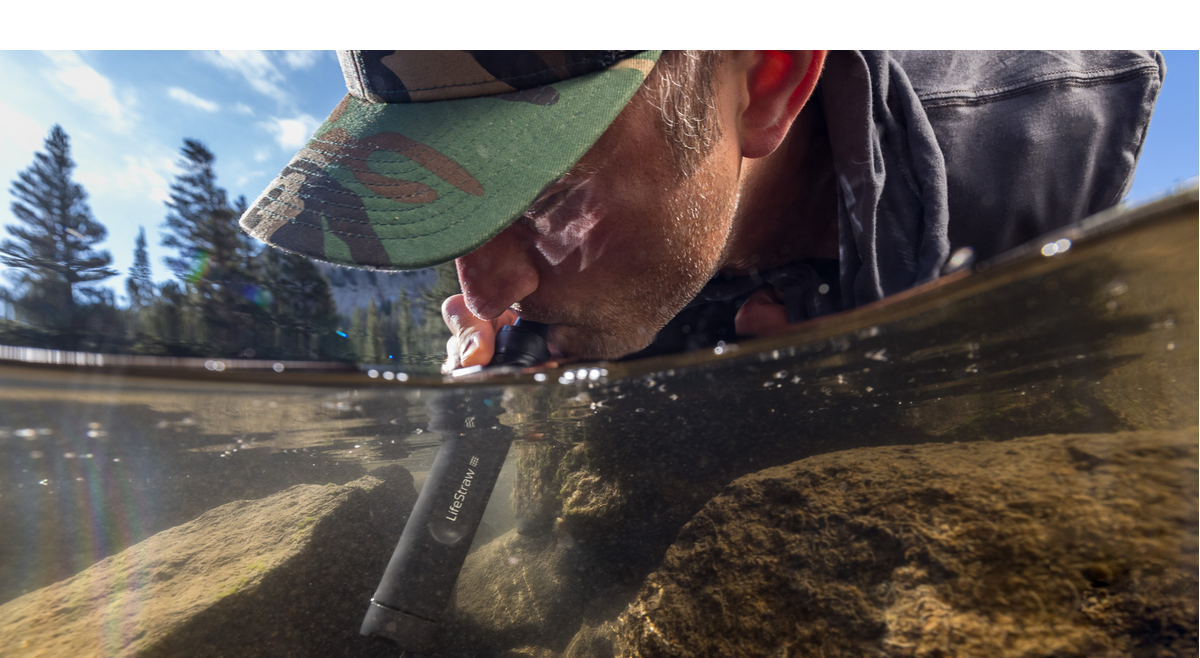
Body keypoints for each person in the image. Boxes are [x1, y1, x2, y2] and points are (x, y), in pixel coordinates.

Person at [239, 50, 1165, 369]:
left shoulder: (1051, 136)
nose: (484, 294)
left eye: (550, 193)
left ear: (766, 79)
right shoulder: (636, 231)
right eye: (446, 203)